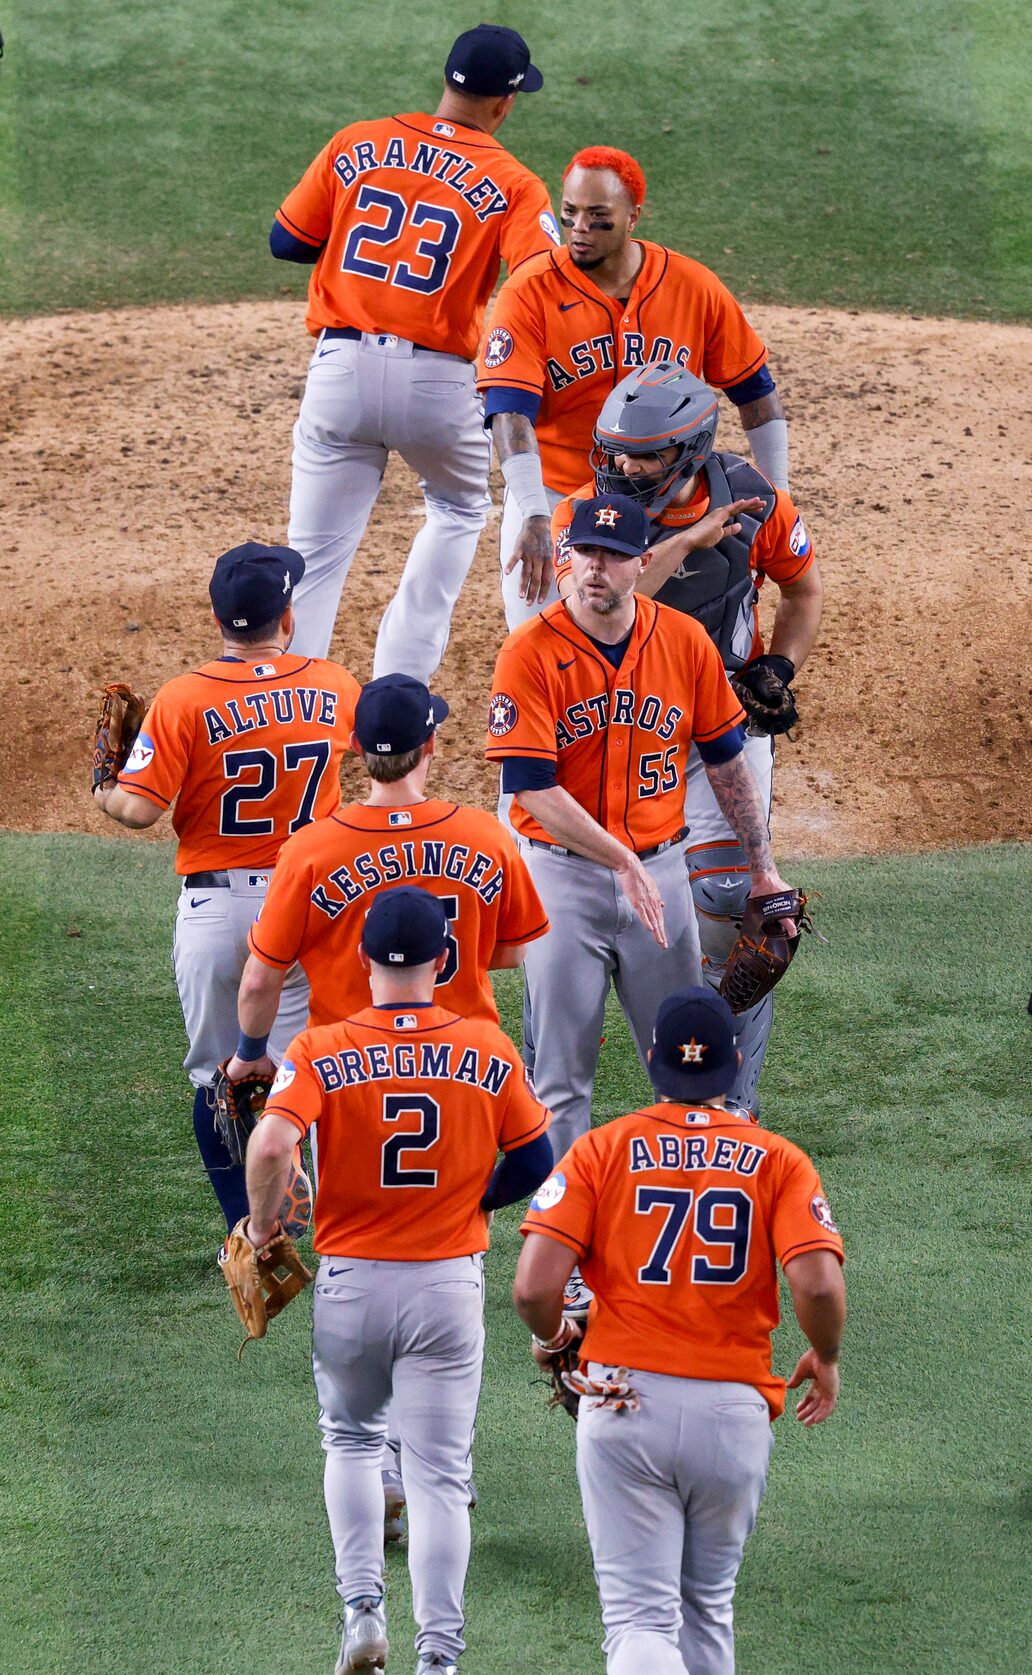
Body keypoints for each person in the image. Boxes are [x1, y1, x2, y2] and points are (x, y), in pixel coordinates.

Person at [512, 985, 846, 1675]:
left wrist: (555, 1340)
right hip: (737, 1410)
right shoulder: (779, 1160)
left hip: (624, 1402)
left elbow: (532, 1284)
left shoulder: (602, 1150)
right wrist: (825, 1354)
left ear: (654, 1061)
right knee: (708, 1608)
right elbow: (814, 1285)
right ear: (734, 1066)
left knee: (636, 1621)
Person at [225, 669, 549, 1540]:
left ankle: (381, 1469)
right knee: (449, 1272)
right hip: (469, 1077)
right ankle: (438, 1473)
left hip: (346, 1084)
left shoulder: (313, 848)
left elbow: (262, 974)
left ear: (355, 756)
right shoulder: (484, 835)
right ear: (432, 746)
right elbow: (513, 953)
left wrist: (254, 1056)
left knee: (360, 1265)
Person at [245, 886, 552, 1675]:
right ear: (443, 963)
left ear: (365, 961)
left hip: (351, 1284)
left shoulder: (321, 1047)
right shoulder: (487, 1049)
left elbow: (271, 1146)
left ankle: (361, 1616)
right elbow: (537, 1154)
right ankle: (438, 1673)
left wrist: (265, 1226)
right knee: (440, 1478)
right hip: (446, 1287)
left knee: (348, 1441)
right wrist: (474, 1199)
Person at [486, 492, 800, 1162]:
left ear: (644, 562)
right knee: (562, 1082)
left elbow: (726, 762)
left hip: (660, 872)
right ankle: (566, 1253)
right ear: (569, 558)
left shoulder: (683, 643)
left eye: (615, 555)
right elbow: (534, 791)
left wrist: (763, 867)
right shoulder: (529, 653)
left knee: (688, 1068)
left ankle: (683, 1214)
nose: (597, 568)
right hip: (563, 877)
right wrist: (619, 860)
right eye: (586, 553)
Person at [551, 363, 823, 1112]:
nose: (625, 470)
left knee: (743, 907)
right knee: (585, 907)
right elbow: (600, 599)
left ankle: (729, 1099)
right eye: (616, 453)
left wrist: (777, 667)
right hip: (615, 735)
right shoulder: (585, 517)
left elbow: (803, 588)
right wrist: (695, 538)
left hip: (720, 730)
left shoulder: (757, 502)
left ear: (695, 450)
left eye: (646, 457)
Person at [271, 23, 557, 677]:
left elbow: (286, 240)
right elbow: (541, 279)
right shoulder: (513, 182)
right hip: (440, 385)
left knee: (310, 561)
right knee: (458, 510)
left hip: (339, 373)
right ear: (506, 102)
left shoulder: (359, 142)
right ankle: (399, 699)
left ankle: (288, 711)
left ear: (447, 81)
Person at [91, 542, 359, 1235]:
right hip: (312, 906)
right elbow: (380, 749)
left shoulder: (184, 698)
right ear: (288, 617)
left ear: (217, 619)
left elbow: (139, 809)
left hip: (217, 911)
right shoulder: (334, 685)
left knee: (219, 1080)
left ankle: (248, 1234)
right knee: (314, 1077)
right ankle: (338, 1223)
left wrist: (104, 789)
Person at [477, 145, 790, 628]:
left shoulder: (692, 286)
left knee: (678, 642)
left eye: (598, 215)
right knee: (547, 639)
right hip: (557, 496)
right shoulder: (530, 290)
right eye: (570, 214)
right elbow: (508, 411)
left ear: (633, 217)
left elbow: (756, 394)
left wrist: (779, 499)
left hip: (668, 504)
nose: (579, 228)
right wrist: (535, 514)